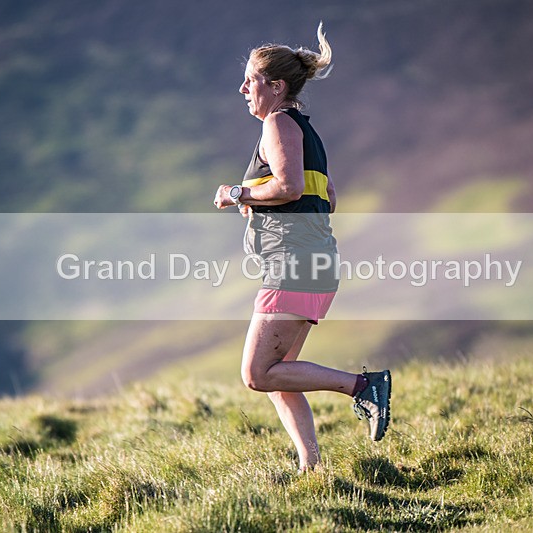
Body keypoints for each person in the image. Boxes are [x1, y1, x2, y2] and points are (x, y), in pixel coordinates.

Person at [214, 23, 391, 472]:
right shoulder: (304, 131)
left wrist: (239, 194)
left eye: (251, 80)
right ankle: (311, 466)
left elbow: (290, 187)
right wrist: (264, 204)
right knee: (279, 374)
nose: (243, 89)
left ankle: (363, 386)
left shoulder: (278, 123)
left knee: (256, 374)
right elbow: (326, 195)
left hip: (294, 266)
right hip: (313, 262)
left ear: (275, 86)